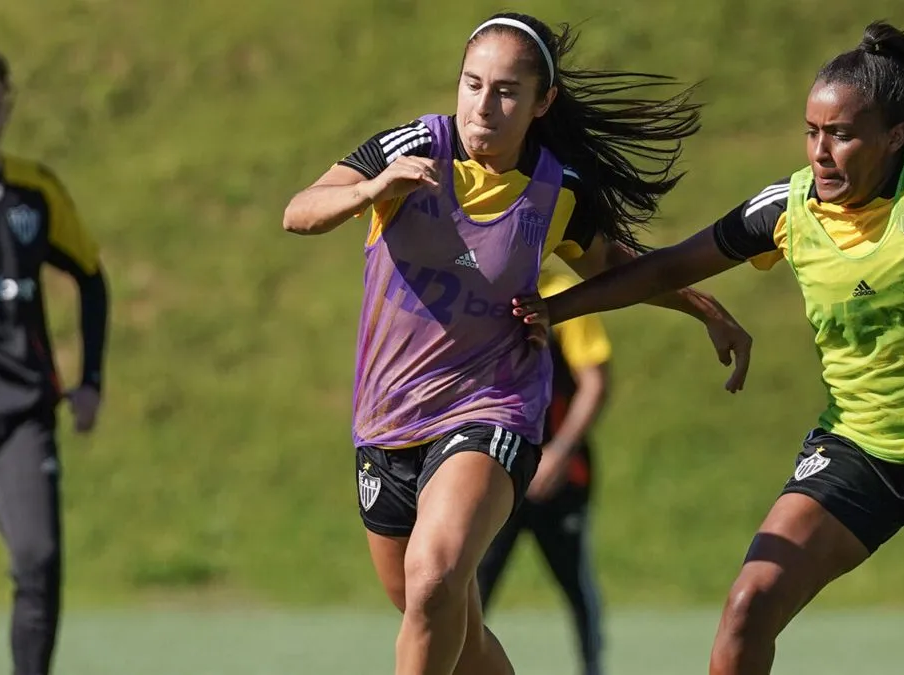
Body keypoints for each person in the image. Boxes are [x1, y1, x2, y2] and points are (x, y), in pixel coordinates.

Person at [512, 18, 904, 675]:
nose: (821, 152)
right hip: (861, 452)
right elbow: (665, 268)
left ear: (894, 137)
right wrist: (555, 308)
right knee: (748, 606)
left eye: (841, 134)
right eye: (812, 132)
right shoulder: (787, 208)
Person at [282, 11, 752, 675]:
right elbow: (298, 211)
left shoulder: (556, 190)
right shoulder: (410, 147)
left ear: (542, 102)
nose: (484, 105)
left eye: (506, 91)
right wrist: (369, 189)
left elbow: (616, 266)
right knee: (455, 631)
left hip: (491, 408)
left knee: (436, 577)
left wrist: (704, 308)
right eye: (473, 84)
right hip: (385, 423)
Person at [0, 46, 109, 675]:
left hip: (21, 412)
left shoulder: (34, 193)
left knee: (38, 564)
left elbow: (91, 277)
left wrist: (90, 381)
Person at [477, 267, 612, 675]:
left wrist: (558, 453)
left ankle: (592, 667)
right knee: (470, 590)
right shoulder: (483, 290)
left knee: (576, 586)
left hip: (559, 480)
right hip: (494, 473)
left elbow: (595, 382)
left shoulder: (563, 294)